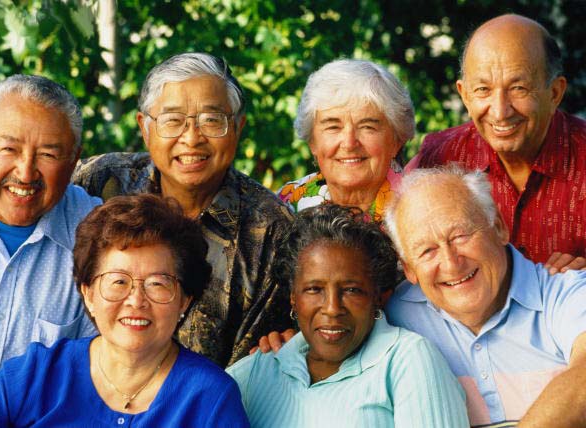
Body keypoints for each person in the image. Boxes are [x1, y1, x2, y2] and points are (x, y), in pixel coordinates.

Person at [0, 194, 249, 427]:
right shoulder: (39, 374)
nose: (136, 300)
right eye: (118, 281)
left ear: (184, 299)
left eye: (157, 284)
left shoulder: (210, 397)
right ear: (88, 293)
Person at [73, 52, 293, 367]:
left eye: (211, 120)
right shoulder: (99, 182)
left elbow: (256, 364)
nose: (191, 139)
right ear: (145, 127)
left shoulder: (271, 230)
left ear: (238, 128)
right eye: (173, 121)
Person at [227, 204, 469, 427]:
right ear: (293, 297)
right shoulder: (256, 371)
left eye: (352, 290)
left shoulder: (407, 360)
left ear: (378, 297)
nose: (332, 308)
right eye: (314, 289)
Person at [383, 166, 586, 427]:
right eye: (427, 251)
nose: (451, 263)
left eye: (460, 236)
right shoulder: (396, 316)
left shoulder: (565, 293)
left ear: (499, 227)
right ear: (409, 268)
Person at [0, 75, 101, 404]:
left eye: (48, 154)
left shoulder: (100, 238)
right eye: (9, 149)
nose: (26, 172)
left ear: (74, 160)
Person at [409, 14, 586, 271]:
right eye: (483, 90)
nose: (500, 111)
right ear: (464, 95)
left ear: (555, 93)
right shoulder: (439, 160)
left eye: (519, 88)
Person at [277, 59, 414, 220]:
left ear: (396, 141)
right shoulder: (286, 205)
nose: (349, 144)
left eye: (367, 127)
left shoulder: (422, 207)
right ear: (312, 141)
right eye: (333, 127)